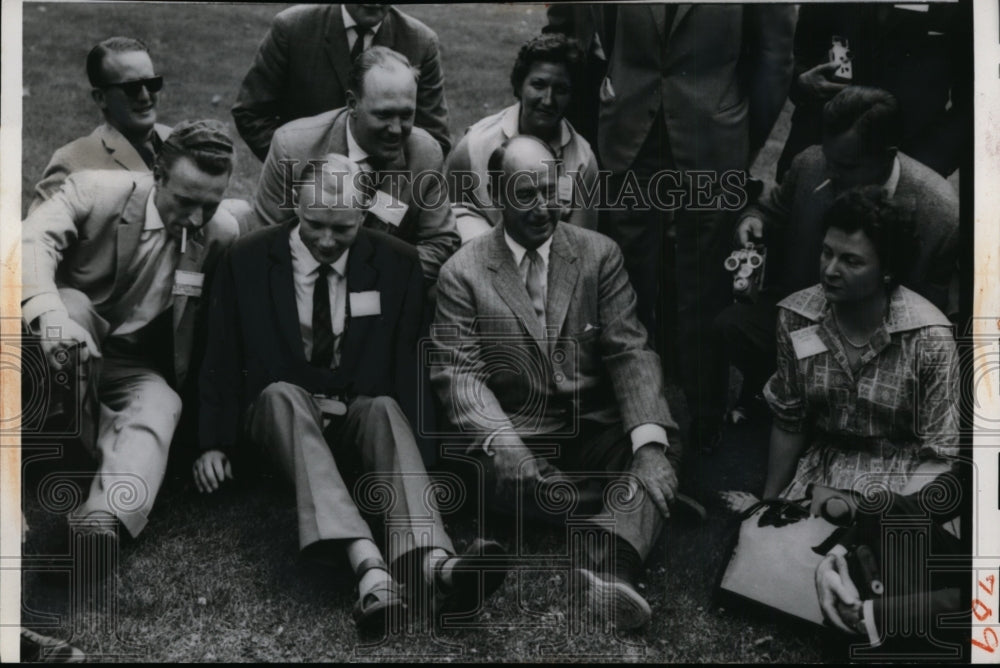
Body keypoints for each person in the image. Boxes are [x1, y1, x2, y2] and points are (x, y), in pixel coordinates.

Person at [194, 154, 507, 632]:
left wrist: (420, 462)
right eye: (314, 224)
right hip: (281, 417)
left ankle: (438, 566)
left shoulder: (396, 262)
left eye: (341, 229)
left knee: (384, 407)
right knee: (281, 395)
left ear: (363, 214)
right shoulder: (249, 257)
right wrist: (212, 441)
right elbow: (219, 350)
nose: (325, 240)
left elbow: (409, 366)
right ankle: (369, 567)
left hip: (357, 408)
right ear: (296, 207)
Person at [431, 135, 682, 631]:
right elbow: (459, 375)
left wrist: (648, 447)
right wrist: (506, 446)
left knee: (662, 429)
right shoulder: (462, 272)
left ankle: (617, 568)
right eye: (526, 194)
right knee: (480, 466)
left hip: (591, 430)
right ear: (498, 195)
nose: (544, 207)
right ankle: (624, 506)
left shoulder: (598, 255)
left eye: (551, 190)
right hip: (518, 440)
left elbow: (628, 351)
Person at [546, 4, 797, 455]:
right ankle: (634, 411)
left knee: (703, 282)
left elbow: (774, 62)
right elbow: (604, 26)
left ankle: (705, 411)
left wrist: (739, 139)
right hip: (630, 136)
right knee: (626, 280)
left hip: (712, 140)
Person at [21, 120, 240, 567]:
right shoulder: (94, 190)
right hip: (58, 344)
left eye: (209, 205)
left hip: (131, 362)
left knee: (161, 403)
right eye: (185, 201)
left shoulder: (220, 234)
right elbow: (28, 242)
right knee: (76, 307)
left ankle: (102, 523)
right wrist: (50, 315)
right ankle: (51, 449)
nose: (196, 219)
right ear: (157, 175)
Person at [717, 86, 959, 420]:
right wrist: (752, 220)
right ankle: (779, 389)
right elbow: (770, 210)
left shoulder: (942, 217)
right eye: (828, 159)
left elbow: (933, 320)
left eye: (845, 166)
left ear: (887, 154)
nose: (829, 174)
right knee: (732, 326)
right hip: (802, 319)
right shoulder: (810, 164)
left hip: (877, 343)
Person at [761, 185, 958, 502]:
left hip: (902, 481)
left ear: (888, 270)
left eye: (851, 261)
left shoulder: (929, 338)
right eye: (827, 252)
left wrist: (892, 518)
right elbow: (789, 420)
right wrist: (766, 505)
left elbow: (939, 453)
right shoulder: (796, 317)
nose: (830, 270)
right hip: (822, 470)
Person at [251, 46, 459, 284]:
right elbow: (266, 241)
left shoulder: (425, 154)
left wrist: (368, 273)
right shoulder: (292, 147)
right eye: (384, 115)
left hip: (385, 291)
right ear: (352, 104)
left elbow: (442, 245)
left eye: (406, 115)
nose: (396, 129)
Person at [776, 2, 969, 182]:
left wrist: (929, 163)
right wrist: (802, 80)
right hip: (819, 145)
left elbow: (973, 101)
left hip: (907, 159)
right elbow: (800, 51)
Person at [232, 3, 451, 161]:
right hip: (302, 190)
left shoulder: (420, 41)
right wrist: (296, 169)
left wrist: (382, 186)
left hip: (384, 197)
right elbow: (252, 113)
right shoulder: (292, 28)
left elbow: (435, 137)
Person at [444, 33, 598, 243]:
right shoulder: (475, 145)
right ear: (519, 86)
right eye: (538, 85)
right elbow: (452, 211)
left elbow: (581, 244)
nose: (548, 100)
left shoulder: (583, 161)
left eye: (561, 89)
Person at [29, 37, 171, 213]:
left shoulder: (180, 143)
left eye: (151, 83)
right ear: (101, 98)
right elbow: (37, 235)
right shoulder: (73, 163)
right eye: (131, 87)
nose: (144, 96)